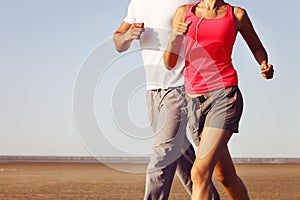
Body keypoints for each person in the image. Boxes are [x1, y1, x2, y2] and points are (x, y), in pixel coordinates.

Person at [164, 0, 274, 199]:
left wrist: (263, 64)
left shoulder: (236, 14)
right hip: (195, 101)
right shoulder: (183, 12)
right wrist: (175, 37)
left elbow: (257, 47)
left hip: (224, 94)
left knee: (199, 172)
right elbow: (169, 63)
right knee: (226, 177)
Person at [113, 0, 220, 199]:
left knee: (162, 155)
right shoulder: (138, 3)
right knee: (180, 155)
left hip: (179, 87)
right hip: (152, 91)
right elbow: (118, 42)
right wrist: (128, 35)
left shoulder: (189, 2)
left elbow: (213, 28)